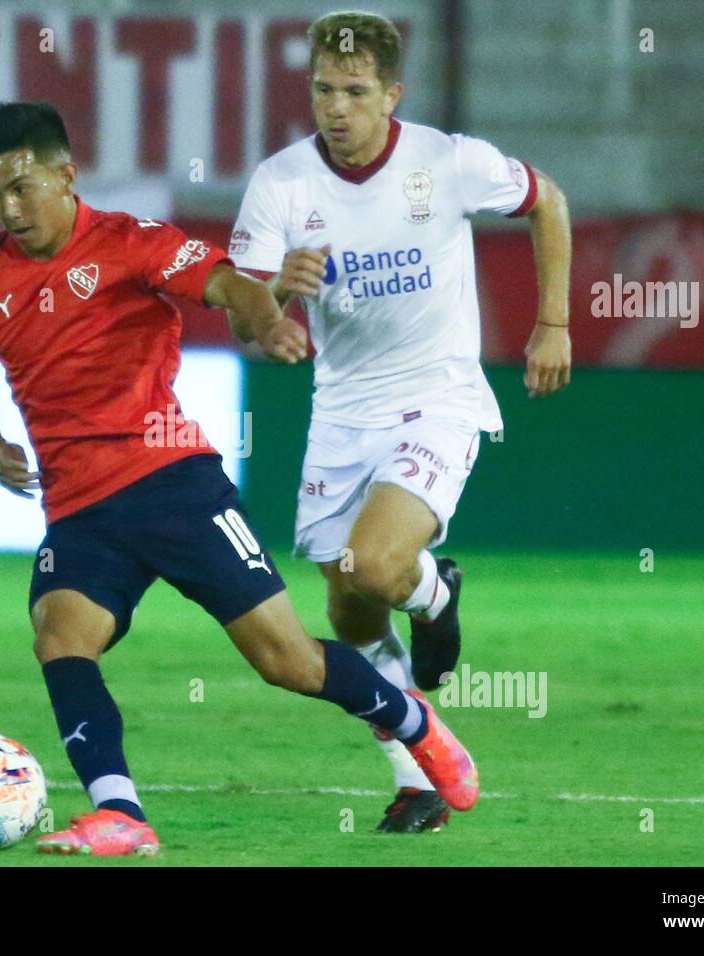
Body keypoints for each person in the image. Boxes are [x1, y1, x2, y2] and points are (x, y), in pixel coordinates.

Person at [0, 100, 479, 857]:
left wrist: (267, 320)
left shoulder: (133, 245)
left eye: (23, 187)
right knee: (61, 639)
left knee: (285, 663)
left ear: (68, 175)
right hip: (79, 512)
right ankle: (120, 814)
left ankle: (414, 723)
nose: (9, 207)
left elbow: (230, 285)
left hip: (174, 484)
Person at [228, 11, 572, 832]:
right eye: (321, 90)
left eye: (354, 92)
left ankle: (430, 591)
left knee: (377, 567)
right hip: (343, 411)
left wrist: (553, 321)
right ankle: (416, 770)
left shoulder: (446, 163)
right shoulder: (282, 182)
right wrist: (276, 299)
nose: (335, 109)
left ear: (392, 95)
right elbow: (242, 310)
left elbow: (546, 199)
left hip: (437, 395)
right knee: (347, 606)